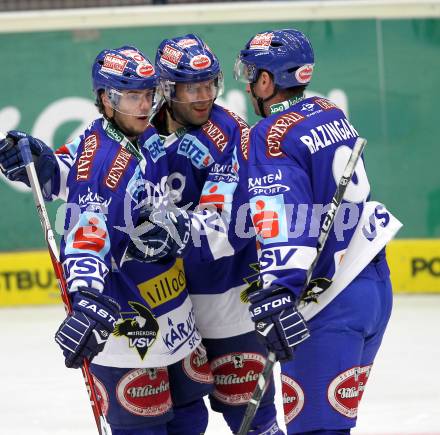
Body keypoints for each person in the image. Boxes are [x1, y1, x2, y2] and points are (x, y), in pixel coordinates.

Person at [0, 46, 213, 435]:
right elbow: (86, 234)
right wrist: (86, 301)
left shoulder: (137, 133)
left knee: (191, 417)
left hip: (174, 311)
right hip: (131, 323)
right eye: (132, 96)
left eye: (148, 95)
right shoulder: (104, 164)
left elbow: (68, 171)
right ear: (106, 99)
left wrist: (47, 167)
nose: (144, 105)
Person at [232, 28, 397, 434]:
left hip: (329, 302)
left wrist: (277, 293)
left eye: (251, 75)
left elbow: (284, 219)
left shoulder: (270, 135)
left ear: (266, 81)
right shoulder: (329, 111)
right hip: (374, 286)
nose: (250, 85)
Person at [136, 34, 283, 434]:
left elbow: (222, 222)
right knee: (184, 413)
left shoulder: (230, 131)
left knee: (249, 414)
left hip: (227, 296)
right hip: (168, 300)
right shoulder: (138, 121)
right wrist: (46, 165)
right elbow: (91, 171)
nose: (204, 96)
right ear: (167, 89)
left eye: (210, 84)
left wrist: (174, 229)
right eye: (192, 88)